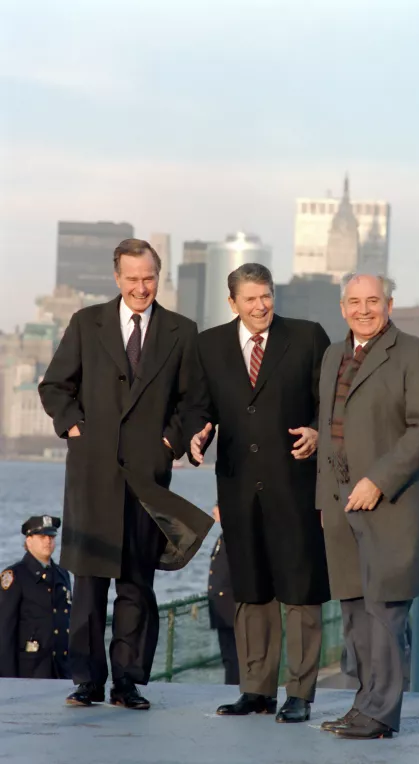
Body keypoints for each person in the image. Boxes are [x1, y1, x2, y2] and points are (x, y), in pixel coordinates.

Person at [39, 238, 213, 710]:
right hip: (92, 476)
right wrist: (74, 426)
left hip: (147, 479)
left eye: (149, 278)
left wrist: (169, 443)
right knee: (90, 587)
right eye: (132, 278)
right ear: (117, 278)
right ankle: (88, 681)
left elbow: (194, 403)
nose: (141, 287)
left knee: (138, 584)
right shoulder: (85, 322)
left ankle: (128, 682)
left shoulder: (182, 330)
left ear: (160, 276)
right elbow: (55, 385)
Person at [185, 263, 330, 723]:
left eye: (266, 295)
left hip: (296, 487)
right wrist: (195, 435)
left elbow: (331, 402)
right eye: (250, 299)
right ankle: (256, 690)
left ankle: (301, 693)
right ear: (232, 303)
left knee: (300, 592)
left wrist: (317, 432)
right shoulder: (208, 345)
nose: (261, 305)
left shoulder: (308, 338)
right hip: (238, 487)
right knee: (251, 590)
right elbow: (198, 406)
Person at [316, 272, 419, 740]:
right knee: (354, 613)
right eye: (354, 302)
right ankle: (363, 704)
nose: (363, 310)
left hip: (393, 504)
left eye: (373, 301)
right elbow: (330, 428)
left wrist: (378, 480)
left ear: (390, 303)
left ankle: (381, 714)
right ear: (342, 306)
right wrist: (323, 503)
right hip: (340, 507)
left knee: (385, 614)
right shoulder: (334, 354)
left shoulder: (417, 353)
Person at [0, 515, 71, 679]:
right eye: (42, 537)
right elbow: (5, 630)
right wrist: (7, 678)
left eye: (51, 537)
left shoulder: (62, 575)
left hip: (62, 670)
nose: (48, 541)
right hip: (30, 671)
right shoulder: (15, 576)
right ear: (29, 540)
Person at [208, 505, 239, 686]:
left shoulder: (232, 538)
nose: (214, 511)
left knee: (233, 657)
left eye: (218, 506)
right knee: (228, 657)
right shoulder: (223, 537)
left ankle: (234, 690)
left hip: (229, 606)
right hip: (221, 606)